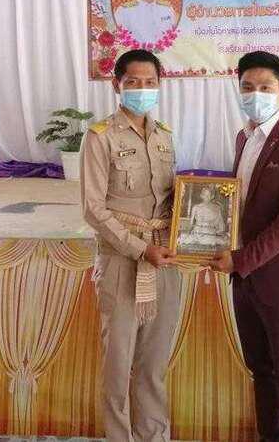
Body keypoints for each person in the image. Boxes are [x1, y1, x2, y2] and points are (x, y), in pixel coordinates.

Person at [209, 51, 279, 442]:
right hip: (246, 280)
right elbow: (237, 203)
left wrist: (241, 259)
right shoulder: (244, 138)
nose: (255, 94)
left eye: (265, 87)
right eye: (247, 87)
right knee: (262, 372)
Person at [79, 49, 179, 442]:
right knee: (118, 364)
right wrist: (139, 249)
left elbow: (172, 201)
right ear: (116, 85)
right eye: (133, 82)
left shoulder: (164, 135)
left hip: (164, 259)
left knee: (154, 364)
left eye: (150, 82)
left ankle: (154, 436)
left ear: (160, 85)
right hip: (122, 262)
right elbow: (93, 209)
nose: (142, 89)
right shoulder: (100, 136)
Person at [178, 186, 228, 250]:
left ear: (212, 197)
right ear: (201, 195)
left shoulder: (216, 208)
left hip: (210, 234)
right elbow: (190, 225)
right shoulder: (195, 207)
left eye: (208, 195)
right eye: (204, 195)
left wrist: (216, 232)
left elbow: (221, 226)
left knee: (225, 241)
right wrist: (190, 232)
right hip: (197, 233)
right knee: (182, 239)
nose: (205, 197)